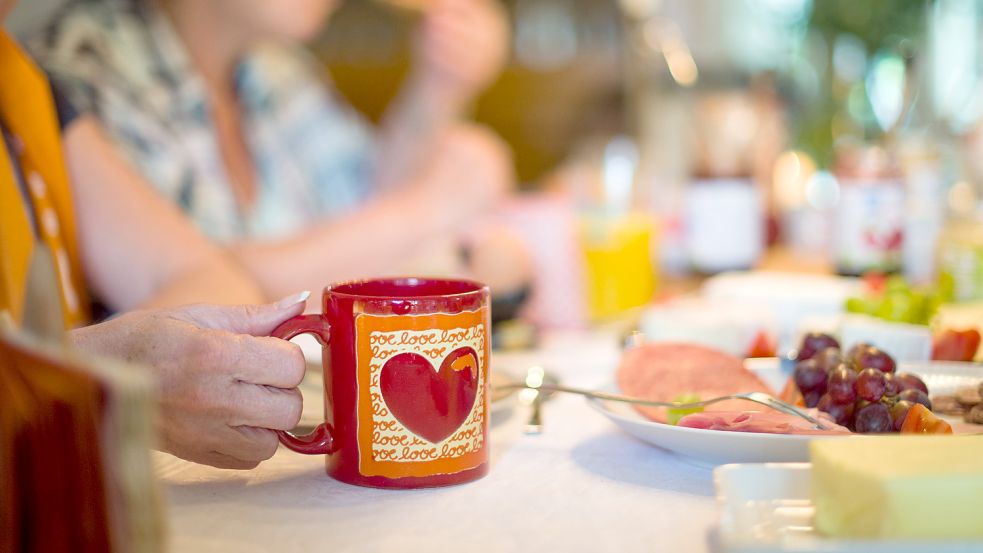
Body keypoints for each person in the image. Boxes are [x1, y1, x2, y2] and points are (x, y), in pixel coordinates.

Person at [31, 0, 516, 299]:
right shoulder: (86, 71)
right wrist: (431, 209)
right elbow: (200, 295)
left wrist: (439, 86)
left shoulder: (274, 70)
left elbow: (366, 206)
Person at [1, 0, 307, 469]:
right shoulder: (83, 58)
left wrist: (138, 356)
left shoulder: (20, 80)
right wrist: (95, 371)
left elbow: (212, 273)